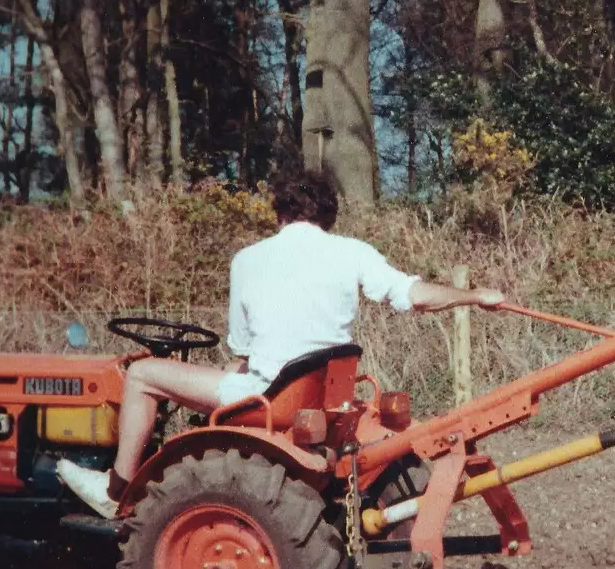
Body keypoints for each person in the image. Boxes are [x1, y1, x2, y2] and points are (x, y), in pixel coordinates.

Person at [57, 171, 504, 519]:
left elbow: (243, 353)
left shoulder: (248, 259)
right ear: (328, 216)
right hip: (322, 398)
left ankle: (116, 488)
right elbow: (413, 296)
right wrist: (474, 296)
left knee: (141, 373)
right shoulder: (353, 252)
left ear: (280, 213)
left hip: (270, 396)